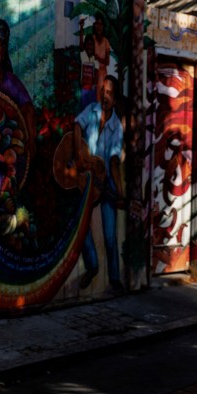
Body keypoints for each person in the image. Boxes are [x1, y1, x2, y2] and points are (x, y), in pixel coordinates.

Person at [73, 75, 125, 291]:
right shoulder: (92, 111)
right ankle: (92, 265)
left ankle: (114, 279)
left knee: (110, 235)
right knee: (82, 226)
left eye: (110, 93)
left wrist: (119, 191)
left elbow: (114, 162)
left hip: (107, 179)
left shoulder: (116, 127)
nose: (105, 96)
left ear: (115, 99)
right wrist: (79, 154)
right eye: (103, 91)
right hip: (88, 178)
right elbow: (77, 125)